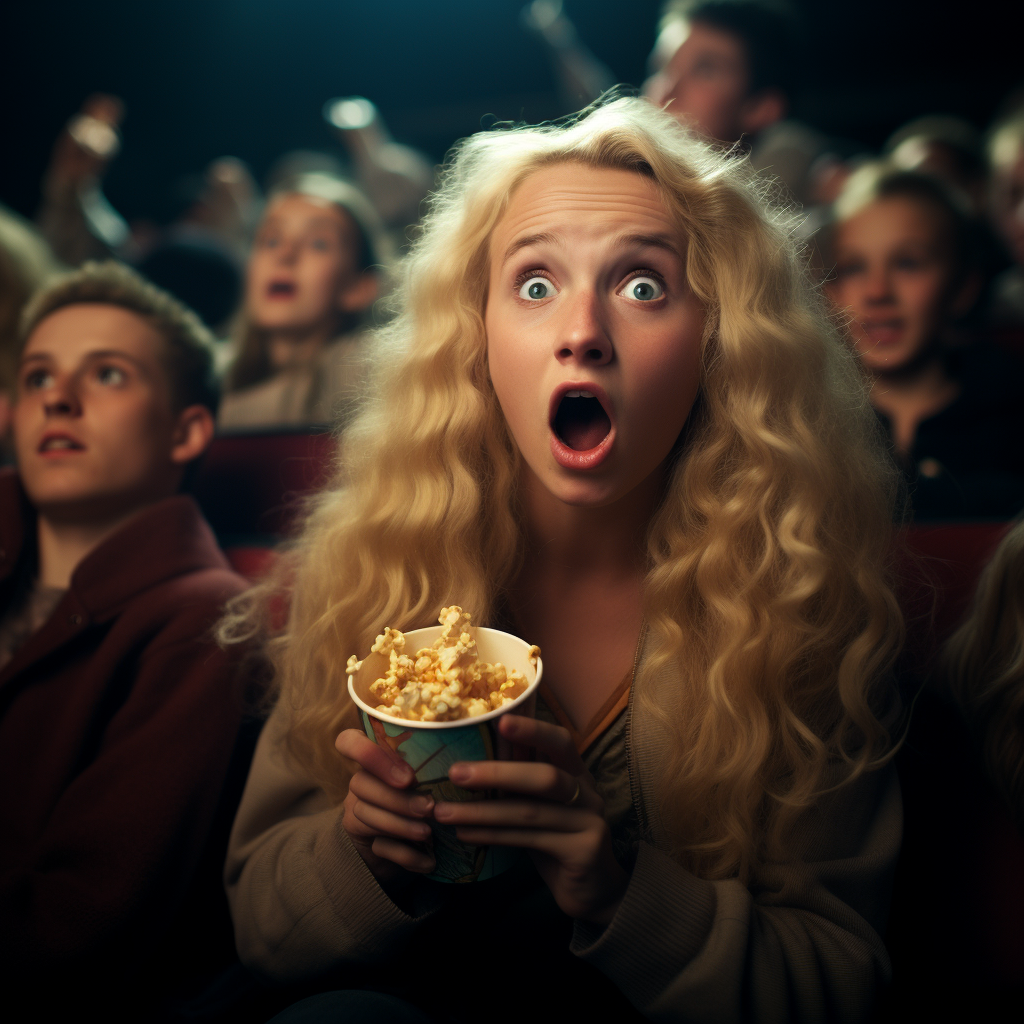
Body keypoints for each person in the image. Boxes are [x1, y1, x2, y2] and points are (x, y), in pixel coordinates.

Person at [221, 98, 905, 1023]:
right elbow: (260, 925)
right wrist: (361, 856)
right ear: (477, 340)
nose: (580, 331)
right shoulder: (370, 571)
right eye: (535, 286)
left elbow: (840, 983)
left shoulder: (799, 608)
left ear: (721, 346)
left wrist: (622, 894)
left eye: (643, 287)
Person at [0, 260, 256, 1019]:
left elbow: (74, 938)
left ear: (186, 430)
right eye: (37, 376)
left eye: (107, 375)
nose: (59, 397)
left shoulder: (206, 622)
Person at [825, 161, 1024, 519]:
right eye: (854, 267)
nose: (877, 291)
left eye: (908, 263)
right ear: (831, 293)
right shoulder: (801, 418)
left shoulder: (1011, 413)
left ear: (963, 286)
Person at [218, 173, 386, 429]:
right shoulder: (208, 371)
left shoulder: (373, 373)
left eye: (318, 243)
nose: (285, 254)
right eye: (271, 240)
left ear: (359, 288)